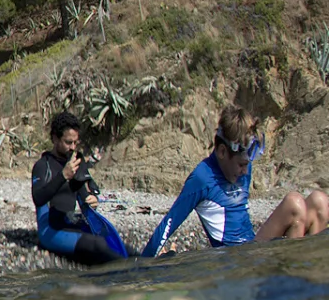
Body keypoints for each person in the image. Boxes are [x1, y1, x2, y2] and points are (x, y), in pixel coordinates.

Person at [140, 106, 329, 257]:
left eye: (247, 164)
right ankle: (293, 280)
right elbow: (167, 225)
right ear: (222, 152)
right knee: (294, 204)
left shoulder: (241, 167)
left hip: (253, 248)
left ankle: (305, 278)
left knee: (320, 201)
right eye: (241, 164)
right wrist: (140, 271)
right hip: (234, 261)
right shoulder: (202, 178)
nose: (245, 171)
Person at [31, 112, 123, 265]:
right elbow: (38, 198)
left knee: (114, 244)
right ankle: (130, 271)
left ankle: (144, 266)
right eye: (68, 142)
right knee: (98, 245)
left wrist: (92, 200)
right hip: (50, 230)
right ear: (55, 138)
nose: (72, 147)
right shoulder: (43, 166)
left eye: (75, 142)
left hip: (70, 223)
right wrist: (63, 176)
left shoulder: (76, 160)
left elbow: (84, 197)